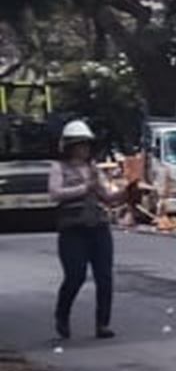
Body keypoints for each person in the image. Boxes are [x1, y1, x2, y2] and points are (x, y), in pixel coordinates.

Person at [49, 120, 118, 342]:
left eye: (86, 145)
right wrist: (83, 188)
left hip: (98, 226)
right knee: (75, 276)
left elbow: (107, 196)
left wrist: (125, 193)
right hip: (73, 229)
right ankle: (62, 314)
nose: (83, 149)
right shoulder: (59, 168)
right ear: (69, 147)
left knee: (104, 277)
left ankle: (102, 322)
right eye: (78, 145)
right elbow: (55, 193)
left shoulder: (94, 169)